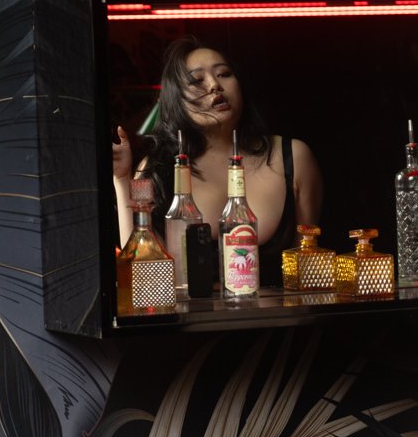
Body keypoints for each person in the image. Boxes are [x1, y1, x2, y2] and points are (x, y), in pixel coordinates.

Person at [112, 35, 323, 288]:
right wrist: (122, 180)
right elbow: (141, 274)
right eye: (196, 80)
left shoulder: (293, 157)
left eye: (224, 74)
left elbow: (306, 271)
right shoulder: (156, 168)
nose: (214, 85)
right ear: (176, 99)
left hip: (276, 313)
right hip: (187, 314)